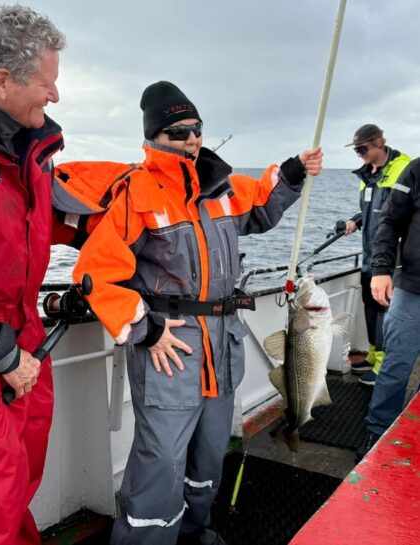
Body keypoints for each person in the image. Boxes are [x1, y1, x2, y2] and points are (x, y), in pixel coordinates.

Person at [69, 80, 323, 545]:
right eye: (178, 131)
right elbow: (96, 272)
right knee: (161, 460)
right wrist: (144, 330)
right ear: (153, 137)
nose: (191, 138)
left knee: (209, 454)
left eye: (196, 128)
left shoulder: (222, 186)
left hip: (222, 345)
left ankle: (193, 531)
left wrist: (291, 172)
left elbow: (262, 207)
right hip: (172, 347)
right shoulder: (137, 193)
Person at [0, 6, 66, 545]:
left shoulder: (33, 150)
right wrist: (1, 353)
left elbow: (51, 218)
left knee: (23, 477)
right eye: (47, 84)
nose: (55, 97)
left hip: (25, 337)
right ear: (3, 81)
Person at [356, 158, 420, 461]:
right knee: (395, 365)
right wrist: (381, 269)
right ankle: (377, 432)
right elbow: (390, 220)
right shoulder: (417, 170)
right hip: (412, 287)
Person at [344, 124, 410, 386]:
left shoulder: (403, 169)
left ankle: (383, 366)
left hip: (392, 257)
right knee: (369, 304)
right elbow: (373, 212)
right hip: (370, 253)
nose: (359, 154)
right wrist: (355, 220)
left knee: (385, 308)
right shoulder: (369, 176)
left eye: (362, 149)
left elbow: (398, 214)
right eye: (356, 150)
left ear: (379, 143)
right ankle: (373, 355)